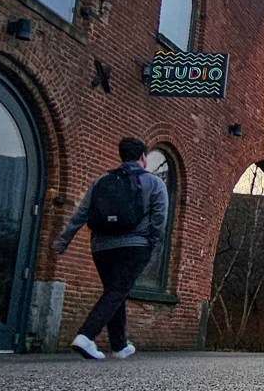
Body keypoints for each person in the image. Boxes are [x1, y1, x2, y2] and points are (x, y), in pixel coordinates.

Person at [52, 137, 168, 360]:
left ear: (121, 156)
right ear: (144, 158)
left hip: (101, 247)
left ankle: (119, 345)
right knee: (116, 291)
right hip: (134, 245)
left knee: (115, 290)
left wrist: (62, 241)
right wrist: (151, 244)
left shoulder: (101, 181)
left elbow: (81, 214)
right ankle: (86, 335)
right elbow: (159, 219)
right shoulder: (154, 183)